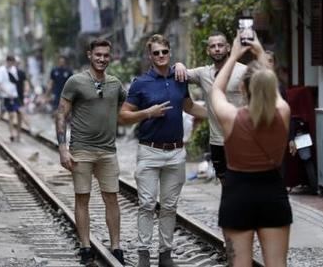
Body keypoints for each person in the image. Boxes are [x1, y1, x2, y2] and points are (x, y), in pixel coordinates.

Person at [118, 34, 207, 267]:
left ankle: (165, 255)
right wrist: (148, 113)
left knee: (169, 206)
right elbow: (123, 116)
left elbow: (188, 106)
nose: (160, 56)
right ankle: (144, 254)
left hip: (176, 152)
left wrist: (217, 115)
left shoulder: (179, 78)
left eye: (164, 52)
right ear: (150, 56)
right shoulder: (140, 83)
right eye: (155, 53)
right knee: (147, 204)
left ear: (169, 53)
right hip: (149, 151)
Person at [211, 32, 292, 267]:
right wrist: (258, 51)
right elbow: (271, 89)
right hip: (273, 193)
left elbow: (216, 90)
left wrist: (234, 54)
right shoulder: (282, 113)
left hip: (237, 194)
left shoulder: (231, 118)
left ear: (243, 89)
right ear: (269, 87)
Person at [56, 39, 127, 266]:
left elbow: (122, 111)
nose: (102, 59)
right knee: (82, 198)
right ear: (89, 55)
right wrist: (62, 148)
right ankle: (86, 246)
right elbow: (61, 115)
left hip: (108, 151)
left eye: (106, 55)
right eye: (98, 55)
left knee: (112, 198)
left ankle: (116, 246)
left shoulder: (116, 84)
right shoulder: (75, 82)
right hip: (81, 150)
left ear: (110, 57)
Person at [173, 31, 247, 184]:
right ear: (208, 51)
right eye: (213, 46)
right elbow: (178, 74)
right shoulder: (203, 73)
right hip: (217, 141)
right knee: (225, 183)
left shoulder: (244, 71)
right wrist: (179, 64)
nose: (217, 49)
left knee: (244, 183)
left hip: (241, 138)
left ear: (228, 48)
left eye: (220, 45)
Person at [0, 56, 20, 142]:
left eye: (13, 62)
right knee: (2, 114)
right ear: (7, 61)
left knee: (11, 115)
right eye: (10, 62)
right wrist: (7, 93)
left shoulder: (14, 70)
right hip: (4, 97)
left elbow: (15, 82)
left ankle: (12, 134)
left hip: (13, 96)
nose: (11, 64)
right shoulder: (1, 70)